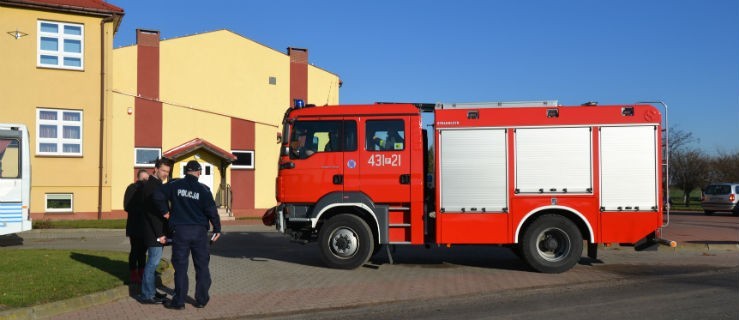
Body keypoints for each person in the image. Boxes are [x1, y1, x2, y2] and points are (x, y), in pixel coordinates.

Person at [155, 160, 221, 310]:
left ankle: (179, 302)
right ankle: (201, 300)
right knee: (202, 267)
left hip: (180, 232)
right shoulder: (204, 190)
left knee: (180, 268)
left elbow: (157, 195)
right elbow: (212, 211)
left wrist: (165, 212)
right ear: (199, 172)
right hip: (199, 232)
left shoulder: (174, 185)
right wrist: (217, 229)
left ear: (186, 171)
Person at [135, 158, 172, 304]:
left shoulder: (156, 185)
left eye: (167, 172)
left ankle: (151, 291)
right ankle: (146, 295)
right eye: (163, 170)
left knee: (153, 263)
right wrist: (160, 234)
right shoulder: (151, 187)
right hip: (154, 232)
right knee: (152, 263)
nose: (165, 174)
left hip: (156, 231)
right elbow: (152, 214)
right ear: (155, 169)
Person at [123, 169, 149, 286]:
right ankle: (133, 273)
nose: (145, 181)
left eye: (146, 179)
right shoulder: (131, 188)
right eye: (143, 179)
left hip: (145, 226)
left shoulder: (147, 189)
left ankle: (142, 271)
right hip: (135, 225)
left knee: (143, 251)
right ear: (137, 178)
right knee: (135, 250)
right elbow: (127, 206)